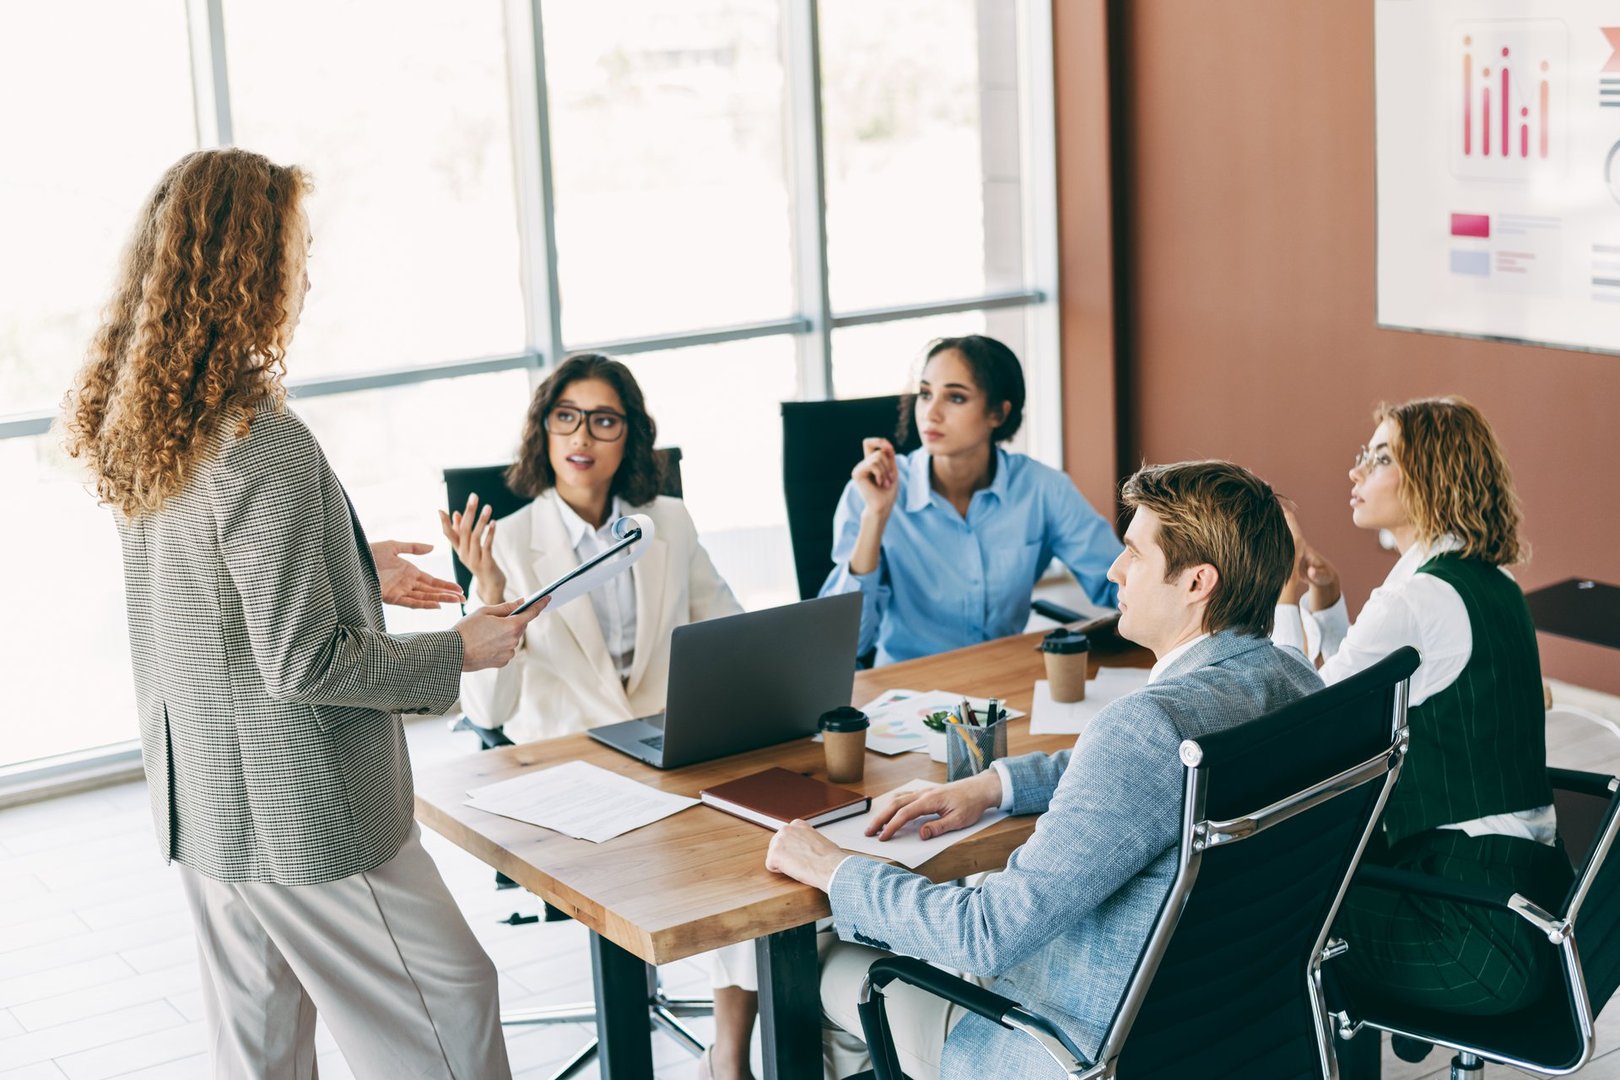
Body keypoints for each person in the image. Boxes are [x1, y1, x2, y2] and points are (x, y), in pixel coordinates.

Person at [61, 148, 537, 1079]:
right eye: (294, 249)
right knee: (449, 1008)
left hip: (207, 804)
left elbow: (205, 597)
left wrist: (353, 565)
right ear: (243, 266)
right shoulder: (259, 435)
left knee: (263, 1050)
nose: (306, 272)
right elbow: (303, 660)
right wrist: (461, 651)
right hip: (302, 810)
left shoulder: (153, 421)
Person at [769, 460, 1323, 1079]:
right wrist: (995, 784)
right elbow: (1149, 766)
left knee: (816, 958)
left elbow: (987, 935)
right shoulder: (1296, 684)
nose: (1113, 570)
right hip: (1222, 1025)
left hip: (1063, 1047)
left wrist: (832, 867)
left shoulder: (1146, 727)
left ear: (1197, 583)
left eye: (1134, 554)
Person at [440, 352, 757, 1080]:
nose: (583, 434)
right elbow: (489, 710)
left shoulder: (665, 524)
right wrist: (484, 594)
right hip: (570, 770)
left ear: (629, 438)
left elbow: (728, 634)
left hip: (666, 750)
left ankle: (730, 1057)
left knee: (748, 854)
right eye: (566, 417)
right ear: (544, 434)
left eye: (605, 419)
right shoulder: (510, 544)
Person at [1275, 398, 1571, 1070]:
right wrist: (1327, 607)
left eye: (1381, 457)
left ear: (1430, 478)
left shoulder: (1414, 598)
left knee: (1283, 927)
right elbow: (1369, 695)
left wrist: (1284, 598)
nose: (1357, 471)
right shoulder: (1487, 584)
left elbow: (1299, 731)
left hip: (1470, 933)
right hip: (1527, 914)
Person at [819, 335, 1122, 665]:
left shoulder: (1042, 489)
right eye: (925, 394)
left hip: (1000, 683)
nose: (931, 413)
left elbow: (1117, 585)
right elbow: (843, 643)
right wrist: (875, 516)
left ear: (997, 413)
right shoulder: (870, 493)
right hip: (909, 687)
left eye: (956, 398)